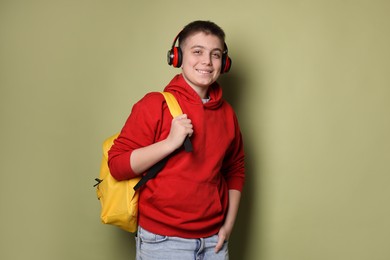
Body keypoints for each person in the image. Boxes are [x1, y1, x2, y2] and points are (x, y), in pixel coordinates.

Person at [108, 20, 245, 260]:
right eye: (197, 52)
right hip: (164, 242)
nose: (206, 61)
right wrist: (170, 143)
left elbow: (235, 169)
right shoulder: (154, 105)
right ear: (177, 57)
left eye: (215, 55)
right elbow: (117, 166)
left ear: (224, 63)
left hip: (214, 242)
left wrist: (229, 225)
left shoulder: (227, 114)